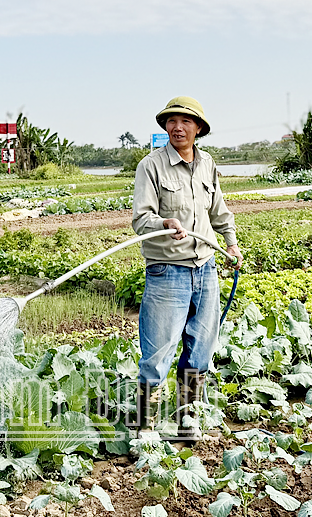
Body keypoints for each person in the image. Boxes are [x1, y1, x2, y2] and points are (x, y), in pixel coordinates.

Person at [130, 96, 242, 441]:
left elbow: (219, 210)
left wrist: (231, 242)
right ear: (165, 127)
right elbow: (140, 218)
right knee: (158, 352)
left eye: (186, 122)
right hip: (168, 270)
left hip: (205, 266)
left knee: (201, 349)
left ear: (198, 128)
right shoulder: (151, 166)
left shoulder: (207, 164)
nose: (178, 128)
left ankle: (187, 418)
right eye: (172, 122)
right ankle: (143, 427)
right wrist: (163, 221)